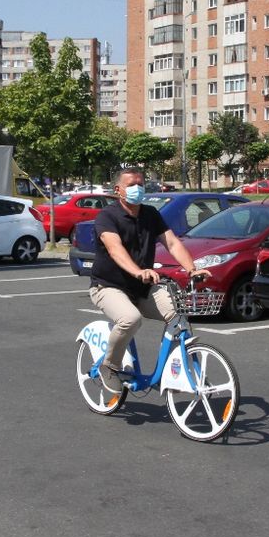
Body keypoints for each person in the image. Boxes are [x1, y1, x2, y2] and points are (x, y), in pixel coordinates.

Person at [89, 168, 211, 394]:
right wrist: (138, 271)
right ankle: (110, 366)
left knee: (178, 315)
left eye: (140, 183)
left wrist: (192, 269)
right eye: (132, 184)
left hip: (142, 288)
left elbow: (172, 243)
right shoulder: (107, 216)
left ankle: (180, 369)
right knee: (130, 318)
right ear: (118, 190)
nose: (138, 188)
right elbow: (115, 249)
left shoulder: (150, 214)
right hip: (108, 286)